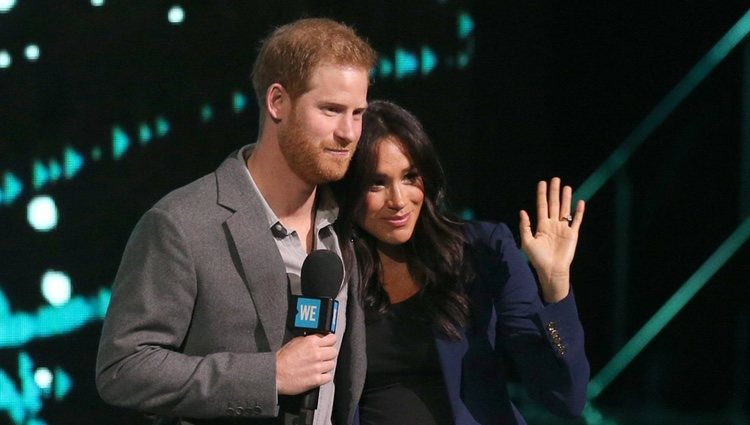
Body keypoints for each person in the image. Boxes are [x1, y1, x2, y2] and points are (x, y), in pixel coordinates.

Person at [95, 18, 377, 425]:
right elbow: (123, 369)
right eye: (331, 110)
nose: (349, 133)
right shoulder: (182, 222)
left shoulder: (345, 226)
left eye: (358, 113)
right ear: (277, 102)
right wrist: (268, 376)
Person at [331, 100, 590, 425]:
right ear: (349, 188)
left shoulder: (482, 250)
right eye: (377, 183)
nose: (398, 200)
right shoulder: (331, 268)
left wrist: (555, 288)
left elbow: (565, 397)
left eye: (410, 177)